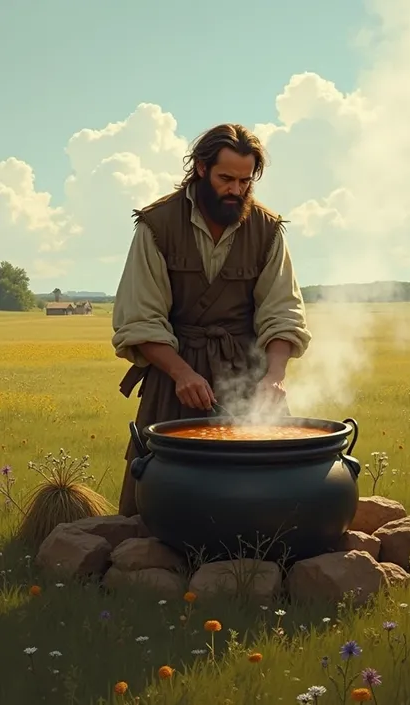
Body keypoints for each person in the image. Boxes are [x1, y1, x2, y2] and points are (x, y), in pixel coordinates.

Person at [112, 123, 312, 516]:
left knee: (270, 493)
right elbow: (141, 317)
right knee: (157, 491)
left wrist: (274, 376)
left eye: (244, 180)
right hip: (175, 373)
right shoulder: (157, 225)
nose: (236, 190)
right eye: (226, 178)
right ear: (201, 168)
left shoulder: (268, 230)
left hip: (246, 370)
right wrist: (182, 374)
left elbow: (282, 310)